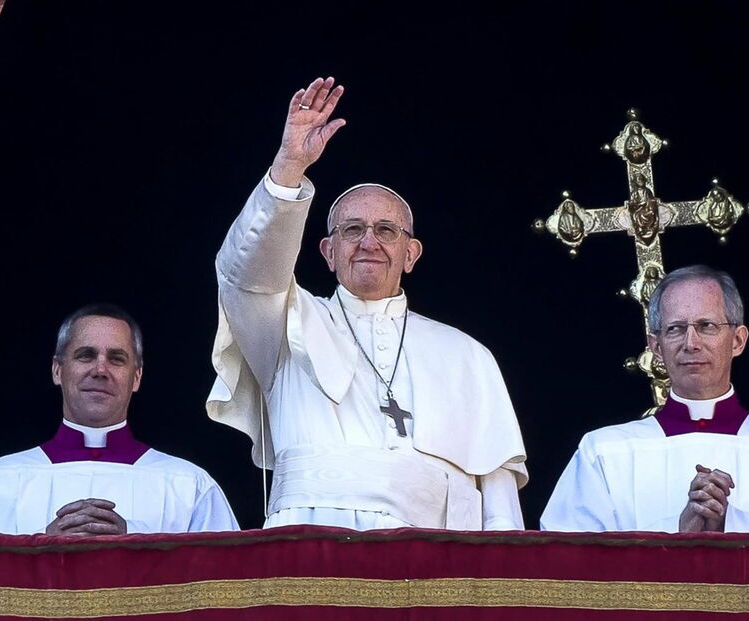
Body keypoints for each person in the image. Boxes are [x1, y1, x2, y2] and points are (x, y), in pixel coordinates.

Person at [206, 77, 527, 531]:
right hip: (311, 550)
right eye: (352, 230)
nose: (368, 242)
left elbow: (499, 506)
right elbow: (245, 271)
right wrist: (289, 166)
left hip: (434, 565)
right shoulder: (283, 324)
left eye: (387, 230)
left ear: (411, 254)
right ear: (328, 251)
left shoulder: (467, 356)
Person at [540, 265, 749, 534]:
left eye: (707, 326)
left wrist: (728, 524)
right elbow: (572, 571)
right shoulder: (603, 453)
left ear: (737, 340)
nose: (691, 343)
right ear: (656, 346)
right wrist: (679, 532)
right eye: (676, 329)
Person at [0, 304, 239, 535]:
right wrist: (38, 549)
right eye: (85, 355)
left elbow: (226, 590)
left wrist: (138, 547)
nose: (100, 369)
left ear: (137, 377)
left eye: (117, 359)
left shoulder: (190, 487)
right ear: (57, 370)